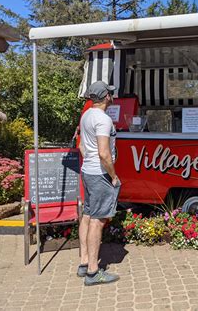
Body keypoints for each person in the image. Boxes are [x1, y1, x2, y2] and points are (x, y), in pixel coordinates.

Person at [78, 81, 120, 286]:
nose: (112, 97)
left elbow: (82, 147)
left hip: (88, 171)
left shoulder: (86, 115)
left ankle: (84, 262)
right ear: (105, 97)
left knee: (87, 215)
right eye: (110, 94)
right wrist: (113, 176)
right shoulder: (103, 120)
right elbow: (104, 153)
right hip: (100, 174)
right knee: (98, 220)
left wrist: (89, 162)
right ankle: (93, 272)